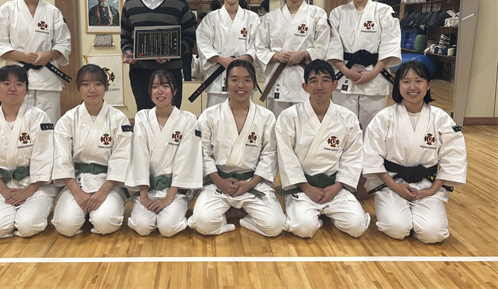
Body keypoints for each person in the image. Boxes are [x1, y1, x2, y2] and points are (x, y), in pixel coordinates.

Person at [363, 61, 467, 243]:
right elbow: (372, 157)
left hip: (426, 185)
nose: (412, 87)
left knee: (433, 234)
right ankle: (403, 216)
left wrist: (432, 190)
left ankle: (418, 217)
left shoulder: (441, 118)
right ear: (398, 85)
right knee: (396, 228)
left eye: (418, 81)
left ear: (429, 84)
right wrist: (395, 186)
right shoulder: (384, 118)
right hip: (391, 184)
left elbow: (453, 158)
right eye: (406, 81)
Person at [327, 0, 401, 199]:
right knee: (343, 132)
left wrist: (375, 71)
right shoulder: (338, 13)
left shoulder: (384, 12)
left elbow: (390, 45)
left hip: (374, 79)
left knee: (372, 134)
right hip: (344, 79)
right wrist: (344, 70)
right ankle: (342, 181)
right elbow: (332, 46)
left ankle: (366, 182)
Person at [188, 60, 285, 237]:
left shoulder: (266, 117)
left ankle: (239, 217)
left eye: (247, 80)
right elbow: (203, 153)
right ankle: (233, 214)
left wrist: (251, 183)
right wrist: (219, 181)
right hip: (218, 183)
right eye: (234, 80)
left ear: (254, 84)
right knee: (202, 223)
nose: (241, 85)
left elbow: (270, 155)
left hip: (253, 182)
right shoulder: (209, 115)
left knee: (275, 226)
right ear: (226, 83)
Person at [276, 59, 370, 238]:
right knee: (303, 228)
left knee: (357, 227)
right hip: (303, 187)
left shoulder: (348, 118)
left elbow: (352, 156)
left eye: (325, 80)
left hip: (335, 186)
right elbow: (286, 156)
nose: (319, 86)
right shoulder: (289, 116)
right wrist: (306, 187)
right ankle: (314, 216)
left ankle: (324, 212)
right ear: (305, 87)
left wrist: (337, 186)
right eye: (313, 81)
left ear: (334, 85)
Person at [0, 65, 57, 239]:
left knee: (27, 227)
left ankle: (34, 209)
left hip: (37, 186)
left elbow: (45, 157)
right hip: (6, 186)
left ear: (26, 89)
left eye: (19, 84)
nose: (12, 88)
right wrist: (5, 191)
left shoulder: (39, 117)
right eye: (6, 83)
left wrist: (29, 190)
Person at [51, 64, 133, 237]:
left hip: (108, 183)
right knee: (65, 226)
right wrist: (77, 193)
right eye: (86, 84)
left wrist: (102, 193)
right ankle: (82, 211)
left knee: (106, 224)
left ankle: (95, 212)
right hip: (77, 182)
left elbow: (122, 159)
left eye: (98, 84)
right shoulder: (68, 120)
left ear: (106, 87)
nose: (92, 89)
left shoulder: (119, 119)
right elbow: (61, 159)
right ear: (78, 88)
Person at [0, 0, 71, 123]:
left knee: (48, 124)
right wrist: (24, 57)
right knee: (19, 124)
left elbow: (64, 43)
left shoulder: (52, 12)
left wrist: (48, 55)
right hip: (17, 78)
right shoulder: (7, 10)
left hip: (47, 79)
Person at [125, 70, 203, 237]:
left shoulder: (188, 120)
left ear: (174, 91)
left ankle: (177, 211)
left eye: (165, 86)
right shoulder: (142, 117)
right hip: (149, 187)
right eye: (155, 87)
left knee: (168, 228)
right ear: (149, 92)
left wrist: (168, 198)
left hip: (175, 190)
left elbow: (185, 160)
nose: (160, 91)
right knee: (142, 227)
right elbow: (139, 157)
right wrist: (144, 196)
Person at [120, 0, 197, 110]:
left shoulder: (179, 4)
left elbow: (190, 37)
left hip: (171, 73)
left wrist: (172, 52)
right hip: (140, 73)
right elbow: (125, 37)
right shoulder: (130, 4)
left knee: (172, 116)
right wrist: (128, 52)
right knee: (144, 115)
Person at [256, 0, 330, 118]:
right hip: (278, 80)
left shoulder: (317, 14)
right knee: (277, 126)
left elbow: (323, 46)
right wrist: (276, 56)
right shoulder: (270, 18)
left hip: (305, 79)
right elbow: (259, 47)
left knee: (306, 126)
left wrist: (304, 53)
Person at [196, 0, 259, 108]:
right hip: (217, 80)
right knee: (215, 117)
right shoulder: (210, 18)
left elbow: (257, 45)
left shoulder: (252, 18)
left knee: (243, 116)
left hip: (244, 76)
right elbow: (203, 44)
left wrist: (242, 60)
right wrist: (220, 59)